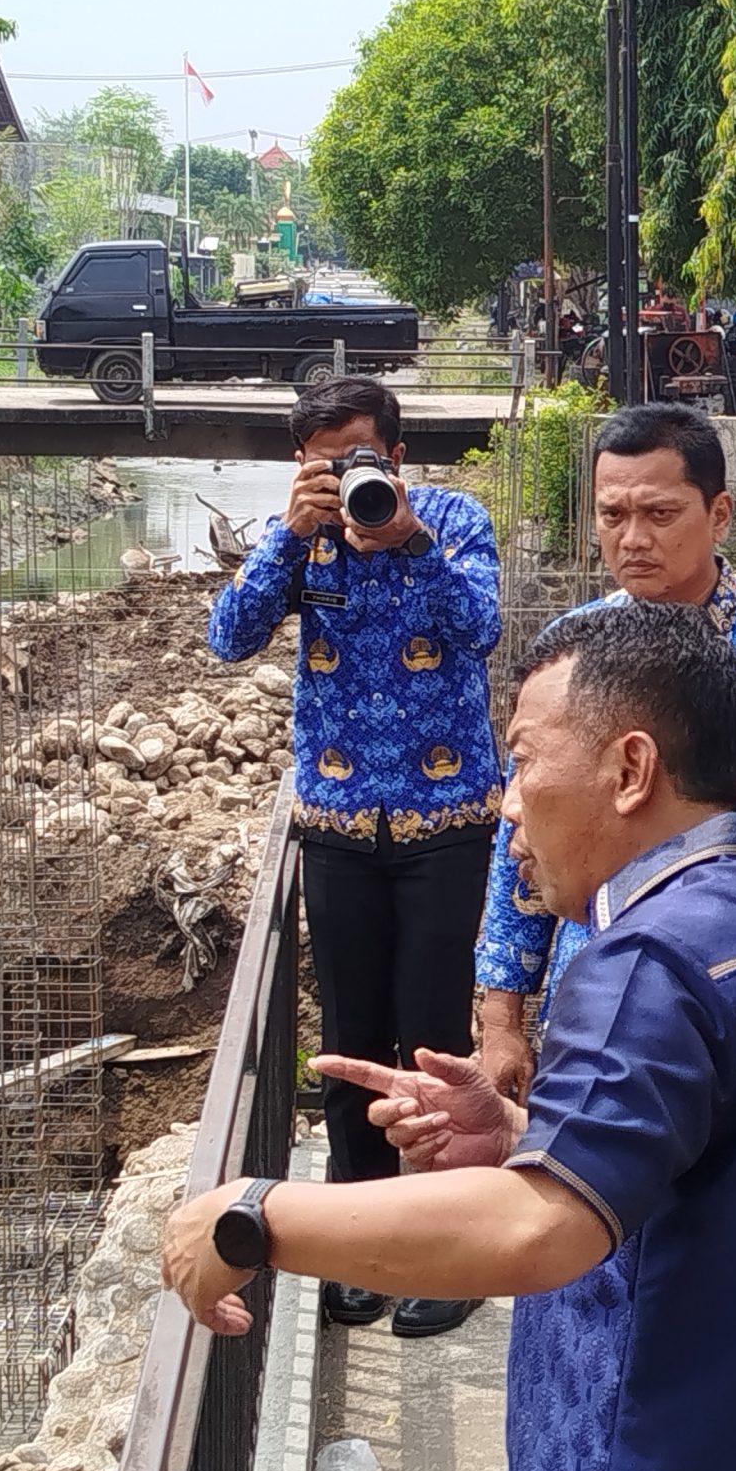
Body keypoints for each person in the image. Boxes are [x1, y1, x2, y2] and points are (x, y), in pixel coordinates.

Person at [163, 602, 736, 1471]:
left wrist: (251, 1217)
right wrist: (528, 1139)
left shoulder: (649, 957)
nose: (506, 804)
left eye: (524, 761)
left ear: (630, 768)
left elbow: (538, 1230)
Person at [206, 375, 503, 1339]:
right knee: (348, 1044)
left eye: (359, 457)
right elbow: (227, 639)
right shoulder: (299, 538)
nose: (346, 478)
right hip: (336, 826)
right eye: (323, 463)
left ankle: (444, 1252)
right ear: (301, 467)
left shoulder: (453, 521)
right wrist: (289, 540)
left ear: (398, 456)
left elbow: (482, 628)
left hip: (445, 822)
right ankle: (359, 1246)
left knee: (433, 1043)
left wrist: (408, 539)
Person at [473, 403, 736, 1098]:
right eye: (612, 515)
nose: (633, 539)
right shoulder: (570, 651)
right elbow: (523, 826)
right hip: (590, 970)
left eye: (660, 514)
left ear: (720, 514)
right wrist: (501, 1018)